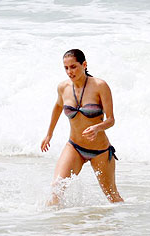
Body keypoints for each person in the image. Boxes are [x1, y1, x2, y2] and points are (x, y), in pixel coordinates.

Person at [41, 49, 123, 204]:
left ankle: (120, 225)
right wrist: (49, 134)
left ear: (84, 64)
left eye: (73, 67)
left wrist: (97, 127)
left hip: (100, 150)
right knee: (55, 190)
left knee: (112, 197)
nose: (69, 72)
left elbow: (111, 120)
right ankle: (57, 226)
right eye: (66, 68)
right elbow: (58, 107)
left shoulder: (100, 86)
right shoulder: (63, 87)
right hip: (74, 146)